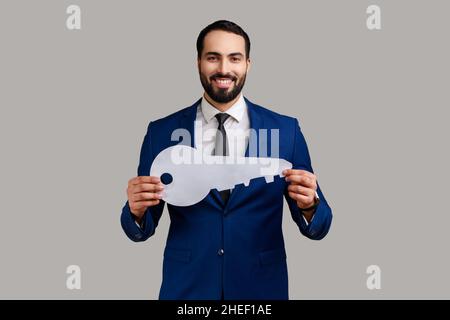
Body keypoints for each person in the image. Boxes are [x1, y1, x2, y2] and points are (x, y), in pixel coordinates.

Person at [121, 20, 332, 300]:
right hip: (187, 291)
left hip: (260, 292)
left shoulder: (285, 131)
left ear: (248, 64)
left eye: (234, 58)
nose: (223, 69)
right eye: (213, 57)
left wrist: (310, 205)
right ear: (198, 62)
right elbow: (142, 228)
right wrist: (135, 210)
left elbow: (319, 226)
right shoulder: (161, 133)